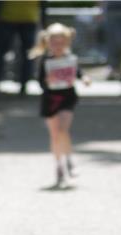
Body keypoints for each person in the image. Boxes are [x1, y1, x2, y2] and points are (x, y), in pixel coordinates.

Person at [31, 22, 89, 189]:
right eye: (54, 42)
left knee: (63, 129)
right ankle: (59, 165)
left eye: (61, 42)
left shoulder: (71, 59)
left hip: (67, 97)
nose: (57, 45)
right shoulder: (45, 61)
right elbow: (41, 82)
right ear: (48, 43)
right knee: (55, 135)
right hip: (50, 99)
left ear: (66, 42)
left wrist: (85, 79)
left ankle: (69, 159)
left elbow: (79, 73)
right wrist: (47, 82)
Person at [0, 0, 43, 96]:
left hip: (8, 18)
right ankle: (24, 87)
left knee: (0, 53)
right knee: (28, 55)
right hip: (28, 18)